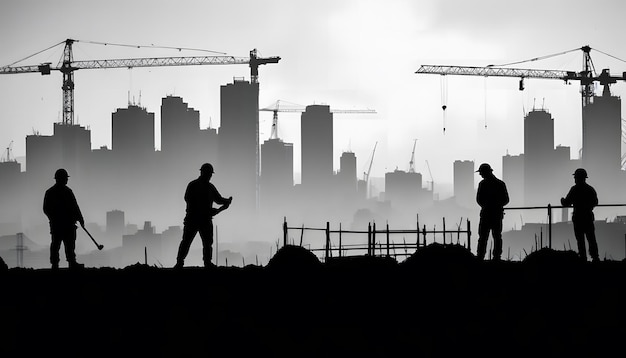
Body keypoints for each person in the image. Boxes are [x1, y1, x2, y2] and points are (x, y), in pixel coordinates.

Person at [175, 163, 232, 268]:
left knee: (205, 243)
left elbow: (218, 199)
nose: (209, 176)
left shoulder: (207, 187)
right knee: (187, 241)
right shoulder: (194, 185)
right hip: (194, 219)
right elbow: (188, 199)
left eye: (210, 174)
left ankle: (206, 262)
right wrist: (208, 209)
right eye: (209, 174)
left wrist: (226, 201)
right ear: (203, 173)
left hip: (202, 220)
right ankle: (180, 262)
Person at [43, 168, 85, 269]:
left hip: (63, 224)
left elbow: (75, 206)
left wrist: (80, 218)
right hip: (62, 224)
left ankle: (62, 263)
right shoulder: (63, 192)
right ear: (61, 179)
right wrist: (80, 218)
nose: (67, 180)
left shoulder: (53, 192)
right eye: (65, 178)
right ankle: (61, 263)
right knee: (59, 244)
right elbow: (46, 209)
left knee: (64, 244)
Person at [560, 168, 599, 262]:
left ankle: (583, 258)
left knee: (580, 240)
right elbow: (595, 202)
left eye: (575, 177)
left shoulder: (574, 189)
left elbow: (566, 203)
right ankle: (595, 257)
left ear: (577, 178)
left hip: (578, 218)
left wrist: (562, 200)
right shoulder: (590, 189)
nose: (575, 179)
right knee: (591, 238)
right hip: (588, 217)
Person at [476, 163, 509, 261]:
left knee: (483, 237)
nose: (480, 175)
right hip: (496, 214)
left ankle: (480, 256)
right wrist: (497, 205)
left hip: (487, 214)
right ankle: (496, 257)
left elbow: (479, 199)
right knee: (496, 236)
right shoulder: (500, 184)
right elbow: (506, 200)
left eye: (481, 173)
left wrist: (487, 206)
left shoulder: (483, 184)